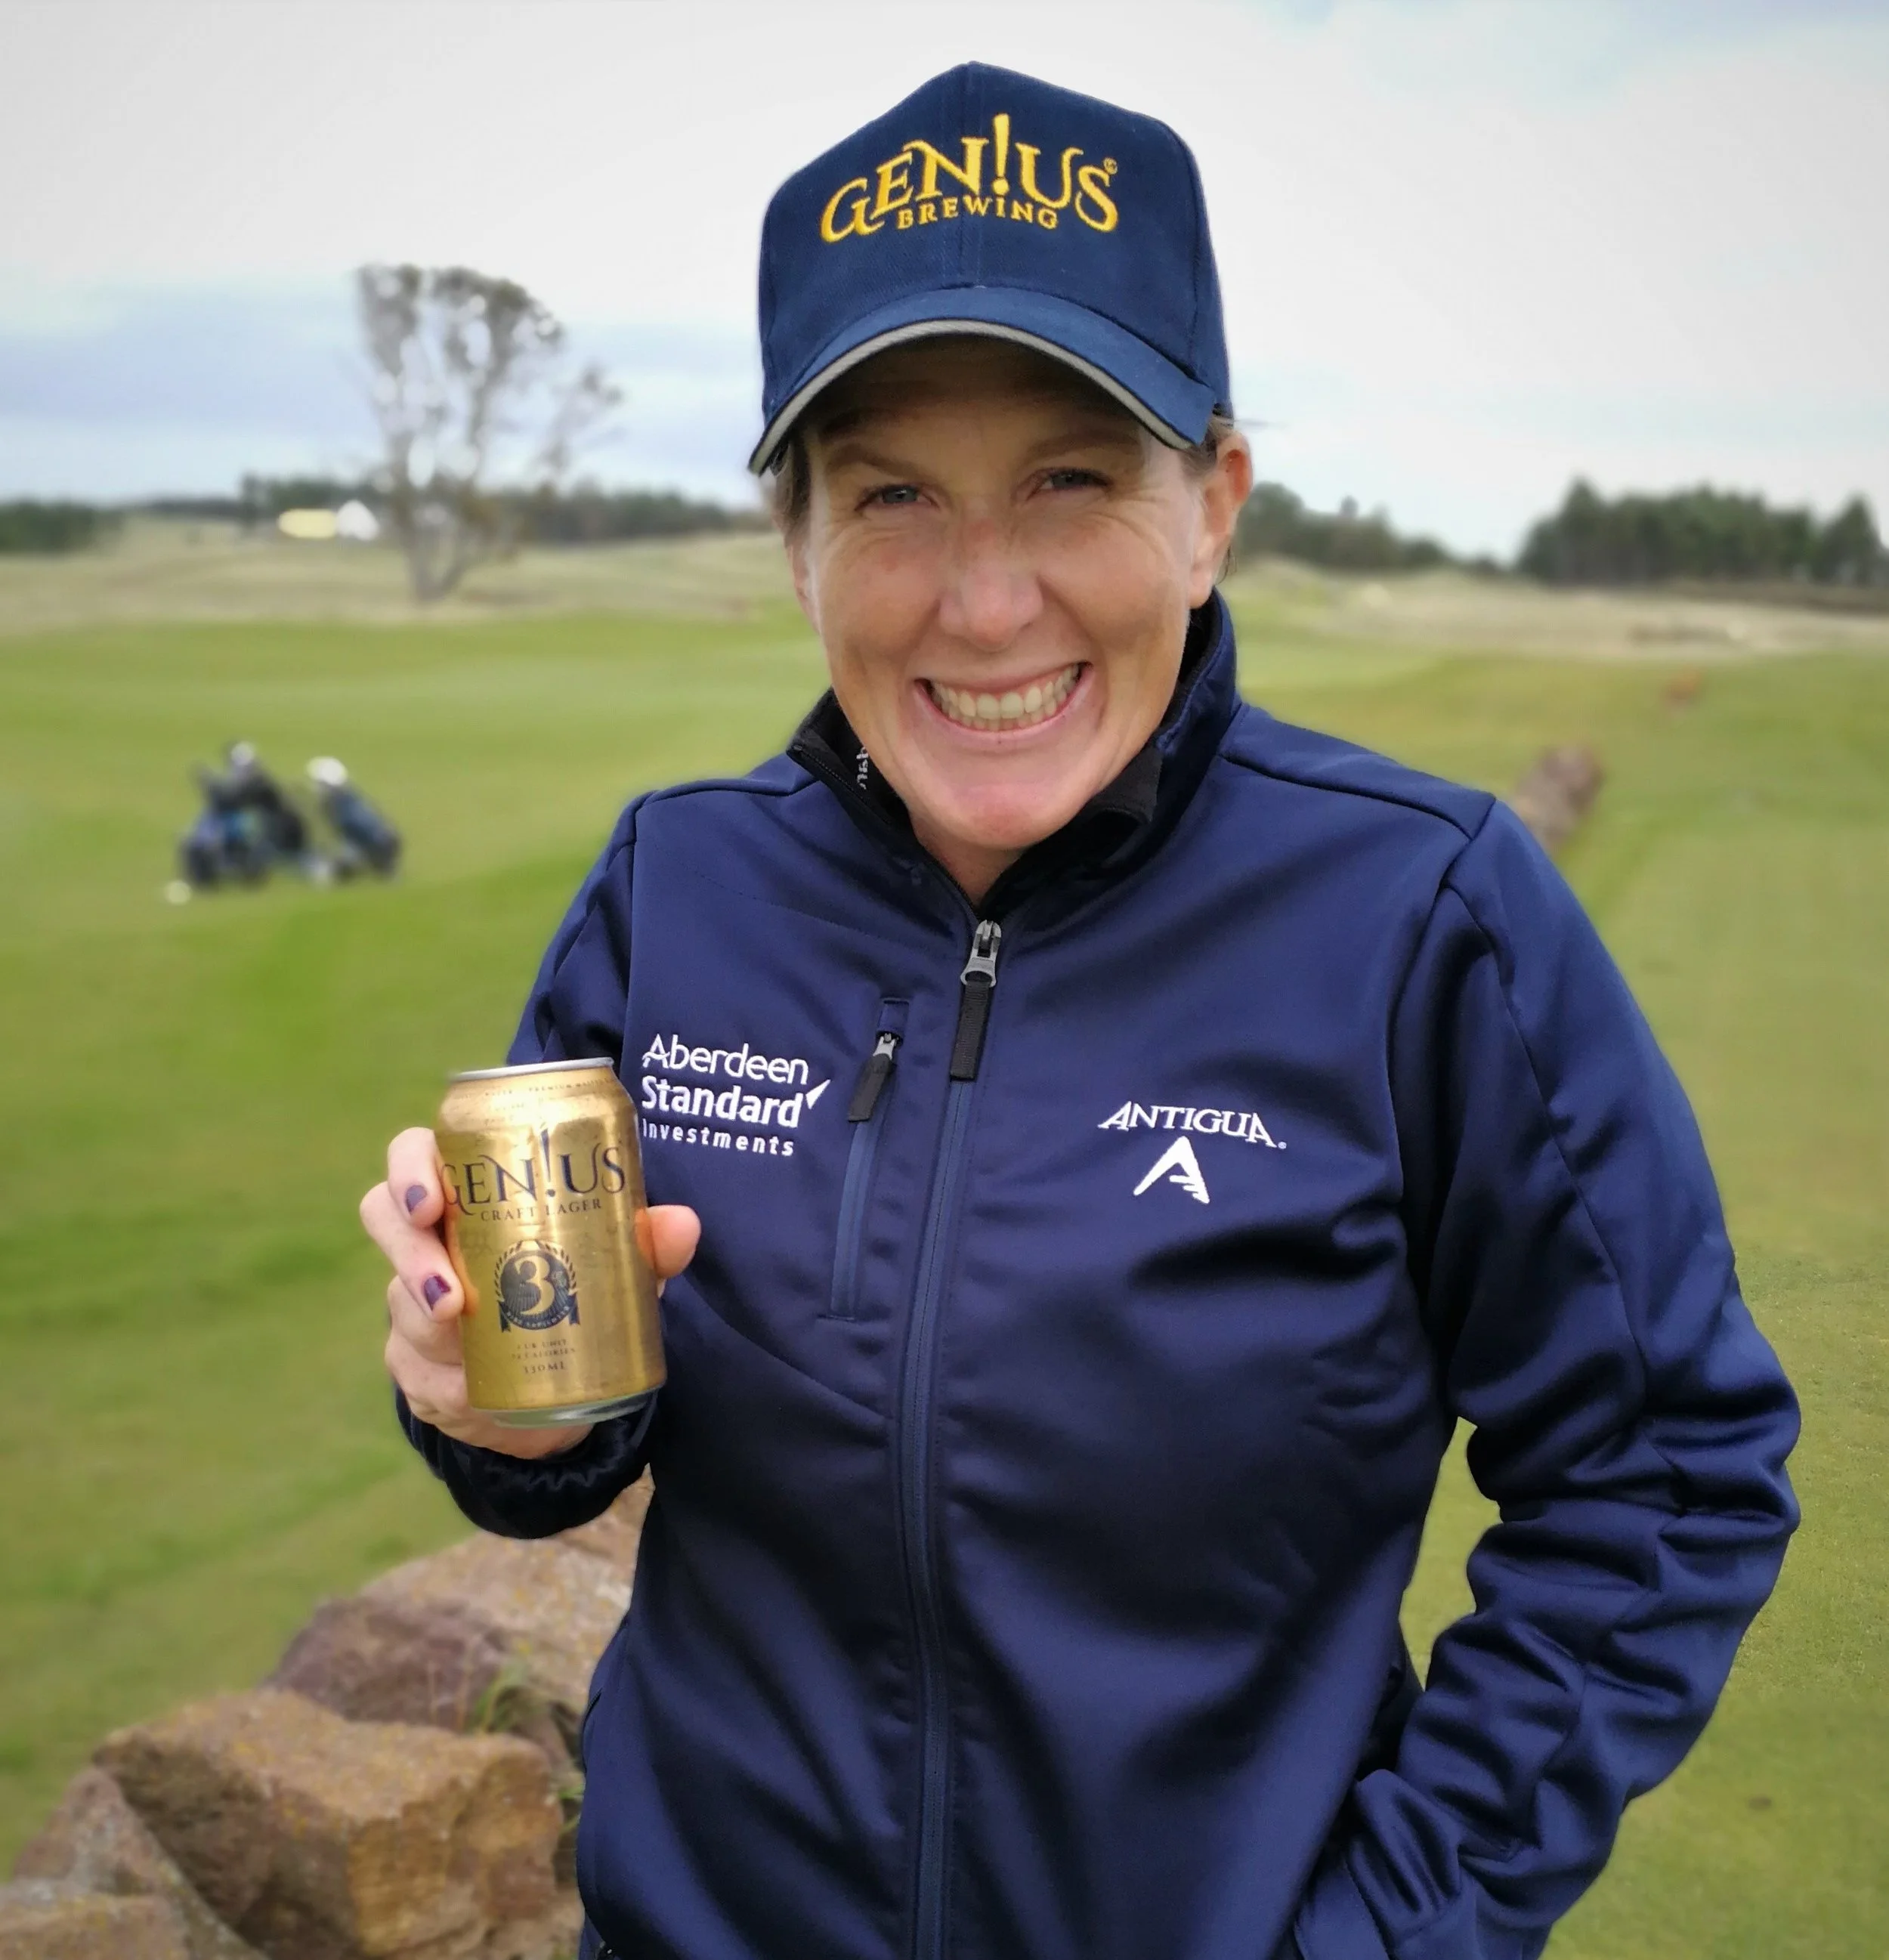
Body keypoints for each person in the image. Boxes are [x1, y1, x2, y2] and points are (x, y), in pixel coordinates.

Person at [360, 64, 1798, 1960]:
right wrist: (501, 1414)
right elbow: (575, 1432)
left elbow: (1667, 1476)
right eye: (889, 495)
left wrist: (1391, 1930)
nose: (982, 597)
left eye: (1068, 477)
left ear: (1210, 506)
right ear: (797, 546)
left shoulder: (1422, 913)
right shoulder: (675, 887)